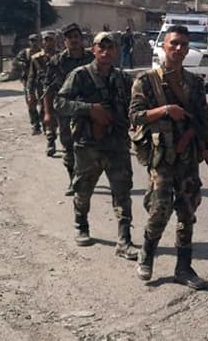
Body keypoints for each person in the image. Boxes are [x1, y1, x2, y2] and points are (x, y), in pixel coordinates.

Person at [129, 24, 208, 289]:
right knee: (159, 209)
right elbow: (135, 116)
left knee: (187, 211)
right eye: (174, 43)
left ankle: (184, 267)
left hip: (189, 156)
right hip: (162, 157)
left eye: (184, 45)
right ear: (164, 46)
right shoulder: (146, 81)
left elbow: (204, 116)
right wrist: (165, 110)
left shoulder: (194, 82)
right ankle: (147, 254)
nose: (179, 49)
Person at [55, 31, 137, 259]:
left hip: (117, 144)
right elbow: (59, 102)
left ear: (116, 51)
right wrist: (89, 109)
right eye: (101, 47)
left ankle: (124, 239)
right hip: (88, 144)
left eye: (110, 48)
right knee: (83, 189)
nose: (106, 52)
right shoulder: (80, 75)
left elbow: (135, 105)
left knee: (122, 192)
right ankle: (81, 225)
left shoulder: (123, 79)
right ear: (93, 50)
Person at [44, 23, 95, 195]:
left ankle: (84, 176)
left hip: (87, 110)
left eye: (76, 37)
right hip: (65, 110)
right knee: (68, 146)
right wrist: (47, 113)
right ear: (64, 41)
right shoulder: (57, 61)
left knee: (88, 146)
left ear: (81, 39)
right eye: (70, 37)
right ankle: (73, 179)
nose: (74, 40)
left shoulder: (91, 59)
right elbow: (48, 89)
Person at [28, 31, 59, 155]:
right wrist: (30, 93)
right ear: (42, 42)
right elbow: (31, 77)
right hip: (44, 91)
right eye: (46, 40)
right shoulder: (36, 59)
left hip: (60, 90)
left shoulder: (61, 56)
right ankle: (51, 140)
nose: (48, 42)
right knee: (46, 114)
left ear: (55, 41)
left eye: (51, 40)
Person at [16, 33, 42, 136]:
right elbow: (15, 62)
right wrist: (22, 64)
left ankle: (45, 124)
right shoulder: (25, 53)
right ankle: (35, 125)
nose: (34, 43)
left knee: (44, 104)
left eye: (36, 41)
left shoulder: (43, 53)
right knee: (31, 104)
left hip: (41, 82)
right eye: (32, 41)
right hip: (28, 81)